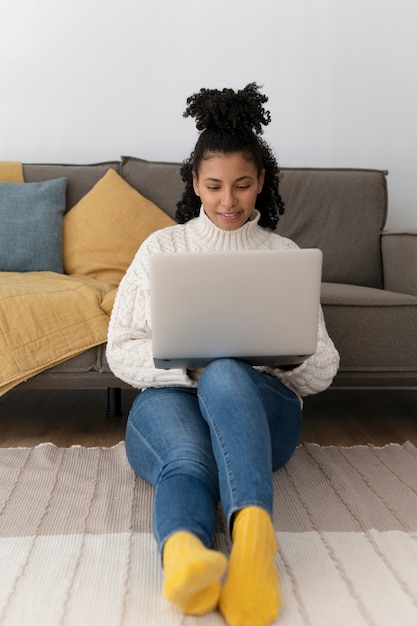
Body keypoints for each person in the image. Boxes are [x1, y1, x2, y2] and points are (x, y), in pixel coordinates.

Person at [107, 83, 339, 626]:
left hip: (259, 414)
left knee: (230, 372)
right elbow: (120, 351)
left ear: (262, 182)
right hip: (173, 402)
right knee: (187, 459)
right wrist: (192, 369)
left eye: (241, 185)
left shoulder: (283, 256)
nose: (228, 201)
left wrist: (283, 362)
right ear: (194, 183)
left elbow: (325, 366)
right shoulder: (161, 249)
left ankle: (254, 545)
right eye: (213, 186)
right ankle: (185, 557)